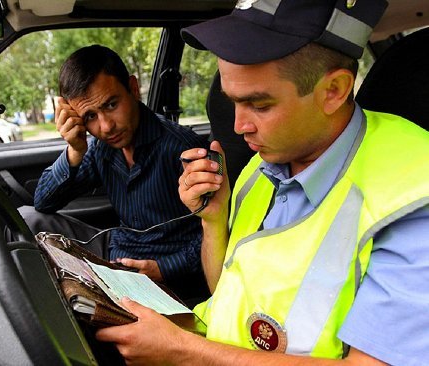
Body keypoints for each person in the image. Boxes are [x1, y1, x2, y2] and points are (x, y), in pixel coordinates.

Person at [95, 0, 429, 364]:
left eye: (259, 104)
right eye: (232, 102)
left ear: (333, 90)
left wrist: (183, 350)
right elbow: (229, 298)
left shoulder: (413, 195)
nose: (239, 126)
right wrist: (213, 220)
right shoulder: (262, 167)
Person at [25, 44, 210, 304]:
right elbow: (43, 202)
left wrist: (164, 268)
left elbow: (216, 230)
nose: (105, 126)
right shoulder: (102, 148)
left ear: (133, 89)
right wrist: (75, 151)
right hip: (115, 256)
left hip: (166, 276)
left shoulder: (181, 147)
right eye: (90, 116)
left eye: (111, 104)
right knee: (28, 218)